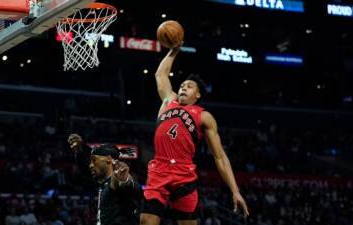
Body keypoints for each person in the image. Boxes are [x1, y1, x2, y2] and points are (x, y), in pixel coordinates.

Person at [140, 46, 249, 225]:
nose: (183, 88)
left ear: (197, 95)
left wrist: (235, 191)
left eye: (189, 87)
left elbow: (219, 156)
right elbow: (160, 75)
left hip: (184, 174)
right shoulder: (169, 101)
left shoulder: (204, 116)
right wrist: (173, 51)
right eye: (182, 85)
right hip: (159, 169)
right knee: (146, 221)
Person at [68, 134, 141, 225]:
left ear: (109, 160)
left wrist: (125, 180)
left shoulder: (117, 179)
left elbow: (131, 187)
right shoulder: (102, 182)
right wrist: (79, 151)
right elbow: (84, 170)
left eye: (94, 160)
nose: (91, 165)